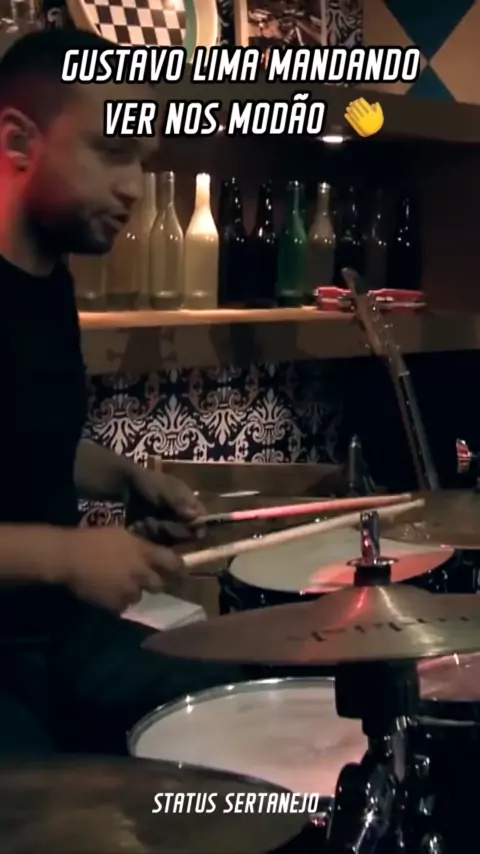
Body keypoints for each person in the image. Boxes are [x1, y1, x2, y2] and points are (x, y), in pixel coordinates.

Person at [0, 29, 247, 756]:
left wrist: (125, 478)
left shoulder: (47, 276)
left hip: (56, 636)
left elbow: (20, 432)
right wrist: (67, 556)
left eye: (142, 159)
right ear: (17, 142)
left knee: (236, 710)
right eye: (112, 152)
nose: (135, 187)